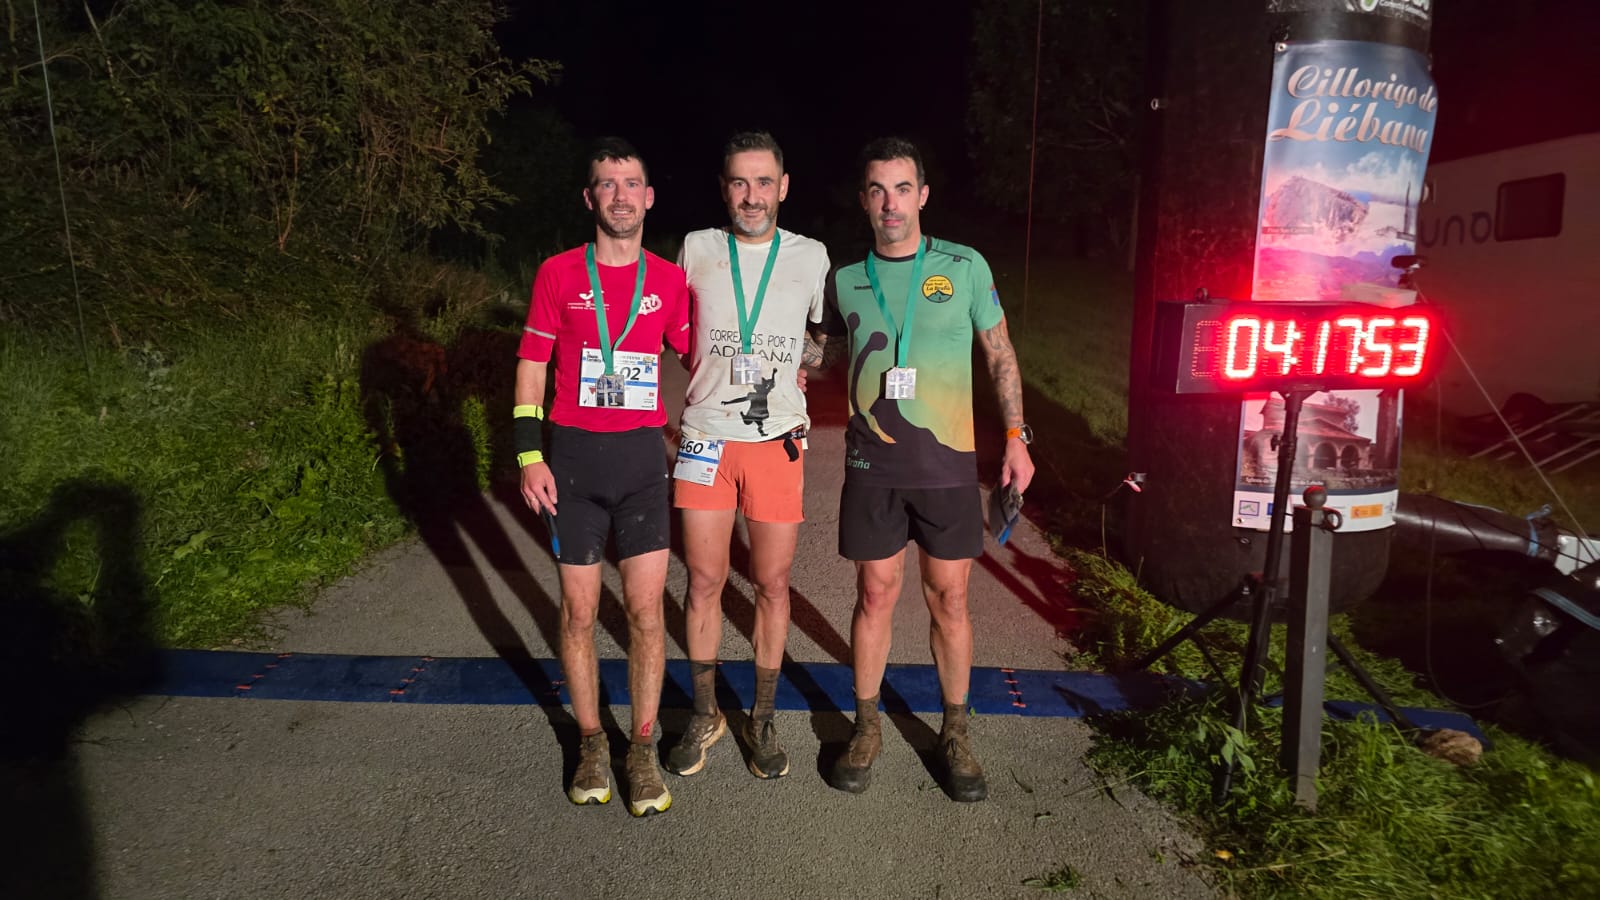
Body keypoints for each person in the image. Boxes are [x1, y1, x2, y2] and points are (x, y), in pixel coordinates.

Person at [808, 136, 1035, 802]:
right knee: (875, 595)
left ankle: (955, 732)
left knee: (950, 599)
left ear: (923, 195)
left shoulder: (963, 267)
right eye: (877, 190)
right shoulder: (846, 278)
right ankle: (868, 724)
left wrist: (1017, 438)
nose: (890, 204)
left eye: (902, 188)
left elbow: (1000, 356)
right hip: (871, 465)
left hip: (947, 467)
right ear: (863, 200)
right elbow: (820, 355)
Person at [515, 137, 691, 817]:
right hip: (574, 467)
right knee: (581, 612)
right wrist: (529, 453)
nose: (620, 195)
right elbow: (532, 365)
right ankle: (592, 741)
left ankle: (641, 749)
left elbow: (702, 349)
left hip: (644, 466)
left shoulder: (670, 280)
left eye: (632, 183)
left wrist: (786, 372)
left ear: (648, 197)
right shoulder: (558, 273)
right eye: (606, 184)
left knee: (647, 614)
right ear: (590, 198)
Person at [664, 132, 830, 780]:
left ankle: (761, 716)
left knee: (771, 583)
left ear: (783, 187)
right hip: (705, 435)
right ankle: (705, 712)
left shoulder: (811, 257)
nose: (752, 195)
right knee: (703, 581)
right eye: (740, 182)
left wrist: (802, 363)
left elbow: (817, 341)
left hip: (776, 443)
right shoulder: (698, 248)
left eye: (764, 182)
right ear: (724, 186)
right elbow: (679, 333)